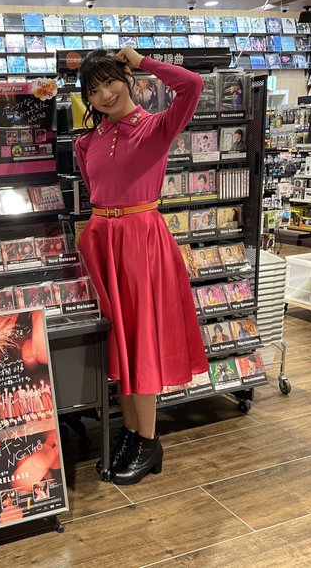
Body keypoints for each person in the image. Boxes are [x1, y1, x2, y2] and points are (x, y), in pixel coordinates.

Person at [75, 47, 208, 485]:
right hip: (101, 245)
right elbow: (97, 192)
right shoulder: (86, 143)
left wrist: (143, 60)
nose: (104, 95)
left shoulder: (156, 127)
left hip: (141, 245)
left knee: (141, 343)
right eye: (93, 90)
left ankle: (148, 442)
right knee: (119, 346)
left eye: (110, 81)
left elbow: (192, 85)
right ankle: (132, 433)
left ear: (127, 78)